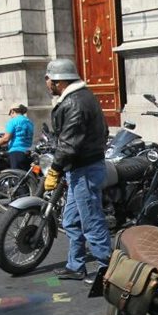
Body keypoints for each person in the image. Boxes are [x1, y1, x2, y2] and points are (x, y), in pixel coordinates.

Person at [44, 58, 112, 281]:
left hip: (84, 169)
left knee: (91, 220)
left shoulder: (75, 102)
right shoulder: (82, 97)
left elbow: (69, 143)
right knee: (71, 220)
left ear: (58, 81)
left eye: (48, 79)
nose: (46, 83)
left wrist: (55, 169)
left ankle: (108, 269)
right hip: (79, 168)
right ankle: (76, 266)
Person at [0, 104, 34, 170]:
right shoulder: (29, 122)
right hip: (28, 152)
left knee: (15, 176)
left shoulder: (13, 121)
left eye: (10, 113)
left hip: (16, 152)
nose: (10, 115)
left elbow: (6, 138)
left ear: (12, 111)